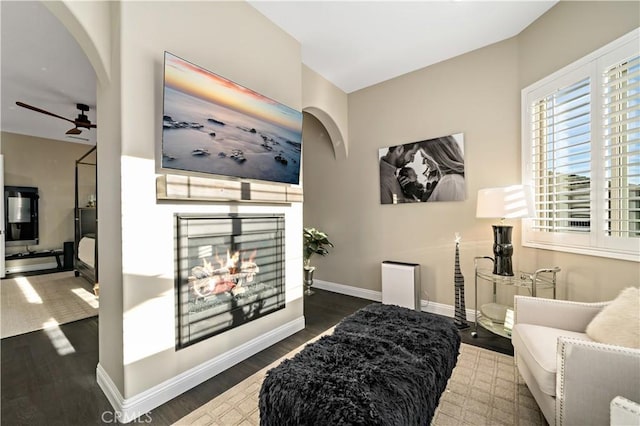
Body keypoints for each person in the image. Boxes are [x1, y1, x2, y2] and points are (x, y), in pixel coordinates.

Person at [418, 136, 466, 202]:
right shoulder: (450, 180)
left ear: (438, 158)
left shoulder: (450, 181)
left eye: (425, 158)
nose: (423, 163)